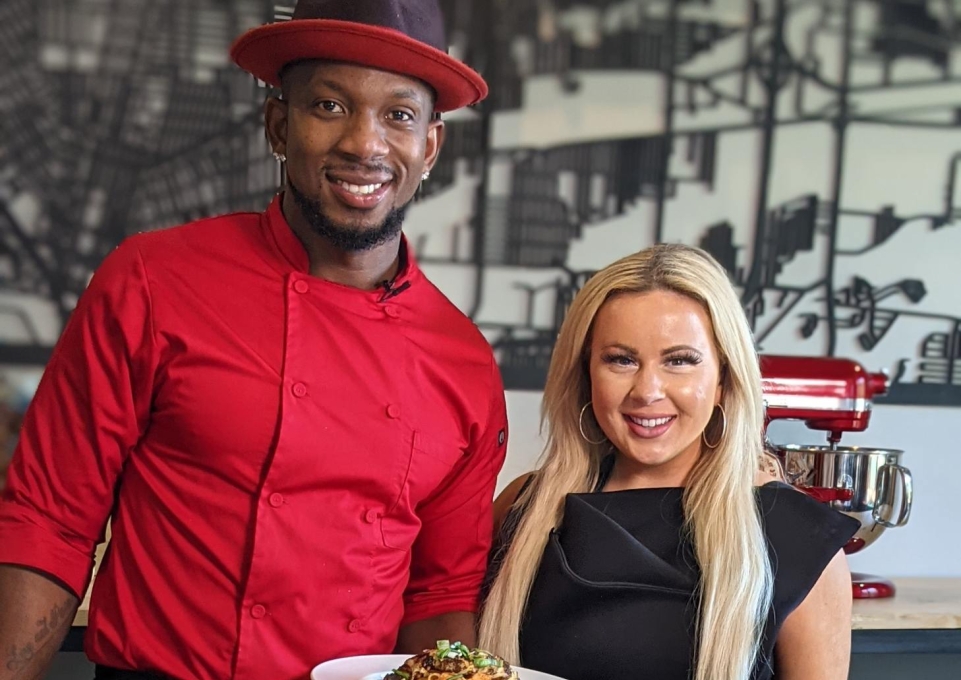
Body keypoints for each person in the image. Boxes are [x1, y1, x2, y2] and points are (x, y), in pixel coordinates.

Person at [0, 2, 508, 679]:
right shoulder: (151, 280)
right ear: (278, 124)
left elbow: (438, 592)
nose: (364, 143)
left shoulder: (464, 362)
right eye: (328, 106)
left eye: (398, 115)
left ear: (430, 148)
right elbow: (49, 520)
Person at [479, 244, 859, 680]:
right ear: (586, 376)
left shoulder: (800, 539)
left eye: (680, 361)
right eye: (621, 360)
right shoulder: (521, 508)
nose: (647, 391)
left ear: (724, 379)